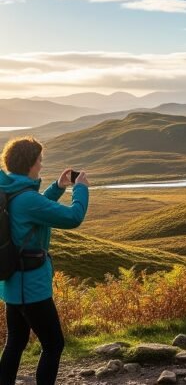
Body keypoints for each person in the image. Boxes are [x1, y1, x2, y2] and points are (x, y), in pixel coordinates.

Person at [0, 137, 89, 385]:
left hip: (12, 285)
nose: (41, 164)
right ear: (30, 163)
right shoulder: (26, 198)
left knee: (15, 343)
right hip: (31, 289)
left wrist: (58, 187)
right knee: (53, 344)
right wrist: (80, 188)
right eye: (39, 160)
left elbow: (35, 208)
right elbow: (73, 217)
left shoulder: (9, 188)